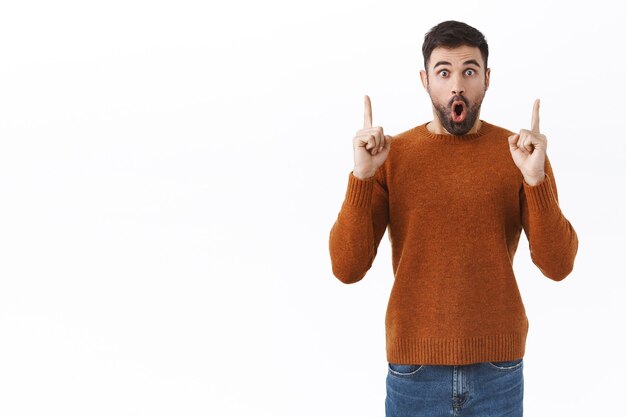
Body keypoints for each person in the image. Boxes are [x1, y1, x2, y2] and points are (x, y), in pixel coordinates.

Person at [328, 20, 578, 417]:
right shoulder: (392, 155)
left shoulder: (519, 154)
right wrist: (362, 177)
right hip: (414, 372)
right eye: (444, 72)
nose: (457, 85)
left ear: (487, 79)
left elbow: (559, 265)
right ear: (425, 80)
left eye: (469, 71)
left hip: (499, 370)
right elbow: (347, 267)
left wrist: (536, 179)